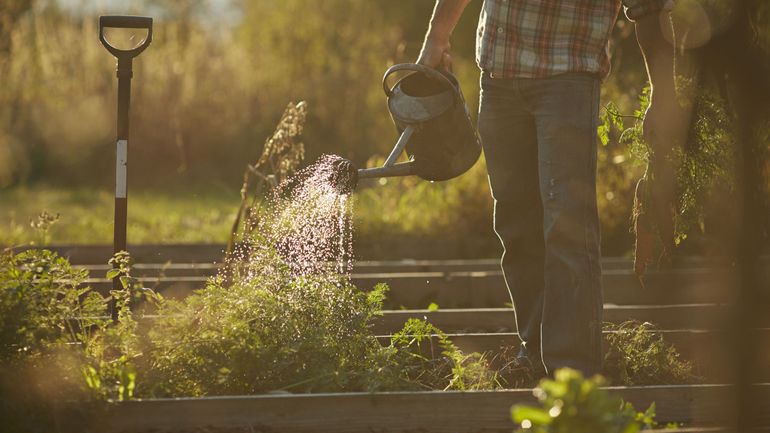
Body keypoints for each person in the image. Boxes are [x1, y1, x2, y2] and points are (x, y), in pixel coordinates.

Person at [417, 0, 673, 377]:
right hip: (499, 75)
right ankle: (535, 353)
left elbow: (649, 9)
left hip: (566, 77)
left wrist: (664, 94)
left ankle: (572, 372)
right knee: (516, 226)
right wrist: (436, 37)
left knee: (567, 227)